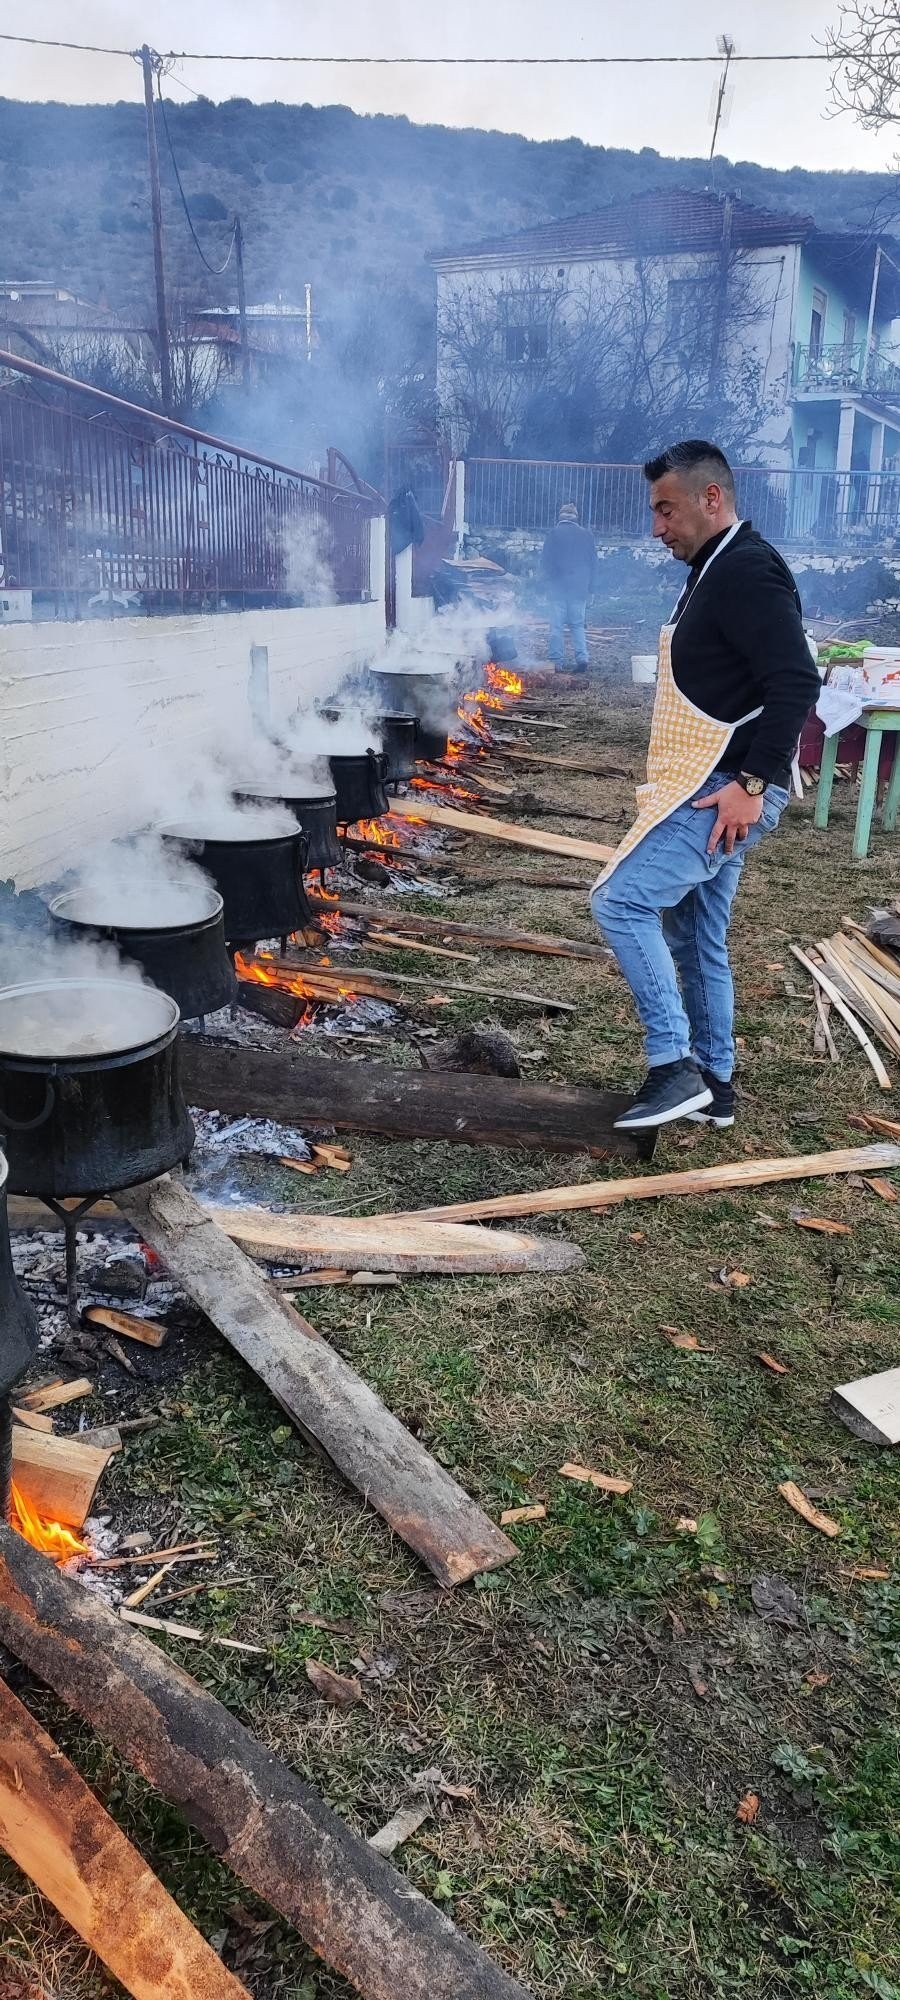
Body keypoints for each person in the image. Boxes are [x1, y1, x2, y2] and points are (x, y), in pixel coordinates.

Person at [590, 439, 820, 1133]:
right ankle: (714, 1085)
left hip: (727, 786)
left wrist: (753, 782)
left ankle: (673, 1066)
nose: (657, 527)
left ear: (710, 498)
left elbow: (796, 680)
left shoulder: (745, 571)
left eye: (667, 509)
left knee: (621, 900)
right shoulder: (714, 568)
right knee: (695, 935)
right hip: (711, 779)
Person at [541, 501, 597, 672]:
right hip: (579, 589)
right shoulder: (586, 535)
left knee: (556, 626)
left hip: (557, 588)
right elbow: (593, 563)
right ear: (576, 518)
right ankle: (582, 657)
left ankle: (556, 661)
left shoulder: (553, 534)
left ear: (560, 516)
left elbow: (545, 562)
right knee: (577, 625)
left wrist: (546, 585)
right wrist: (591, 589)